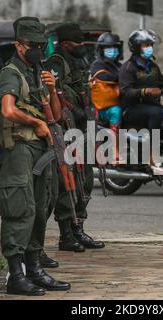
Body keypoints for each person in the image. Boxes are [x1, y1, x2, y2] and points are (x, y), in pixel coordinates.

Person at [0, 17, 71, 296]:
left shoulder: (39, 71)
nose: (39, 49)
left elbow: (58, 114)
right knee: (20, 207)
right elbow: (7, 109)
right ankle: (16, 275)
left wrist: (52, 89)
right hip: (20, 148)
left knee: (41, 207)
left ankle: (35, 268)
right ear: (18, 45)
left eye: (42, 44)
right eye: (33, 45)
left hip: (41, 151)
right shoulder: (11, 72)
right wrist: (37, 123)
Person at [43, 22, 105, 252]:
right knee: (67, 182)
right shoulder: (56, 63)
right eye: (77, 42)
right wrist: (73, 109)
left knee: (85, 180)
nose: (81, 45)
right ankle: (66, 234)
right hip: (67, 129)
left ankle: (79, 228)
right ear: (66, 43)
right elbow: (55, 95)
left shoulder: (80, 62)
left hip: (82, 127)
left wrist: (89, 111)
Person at [119, 29, 163, 173]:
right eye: (145, 45)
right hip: (132, 109)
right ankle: (151, 156)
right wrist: (145, 91)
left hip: (150, 107)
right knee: (156, 112)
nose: (149, 48)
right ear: (136, 47)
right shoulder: (128, 68)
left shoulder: (153, 67)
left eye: (150, 45)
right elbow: (125, 91)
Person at [90, 32, 125, 164]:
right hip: (103, 108)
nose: (112, 51)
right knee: (116, 111)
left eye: (114, 47)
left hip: (119, 101)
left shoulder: (119, 66)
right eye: (108, 48)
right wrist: (121, 78)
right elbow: (104, 77)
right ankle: (115, 151)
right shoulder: (97, 65)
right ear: (101, 50)